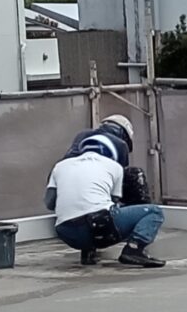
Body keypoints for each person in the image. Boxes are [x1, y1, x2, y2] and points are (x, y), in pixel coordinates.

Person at [46, 114, 167, 268]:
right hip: (98, 225)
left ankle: (88, 253)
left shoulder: (64, 162)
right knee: (151, 210)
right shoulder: (116, 157)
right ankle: (135, 248)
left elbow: (50, 203)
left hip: (66, 231)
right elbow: (112, 201)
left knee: (87, 202)